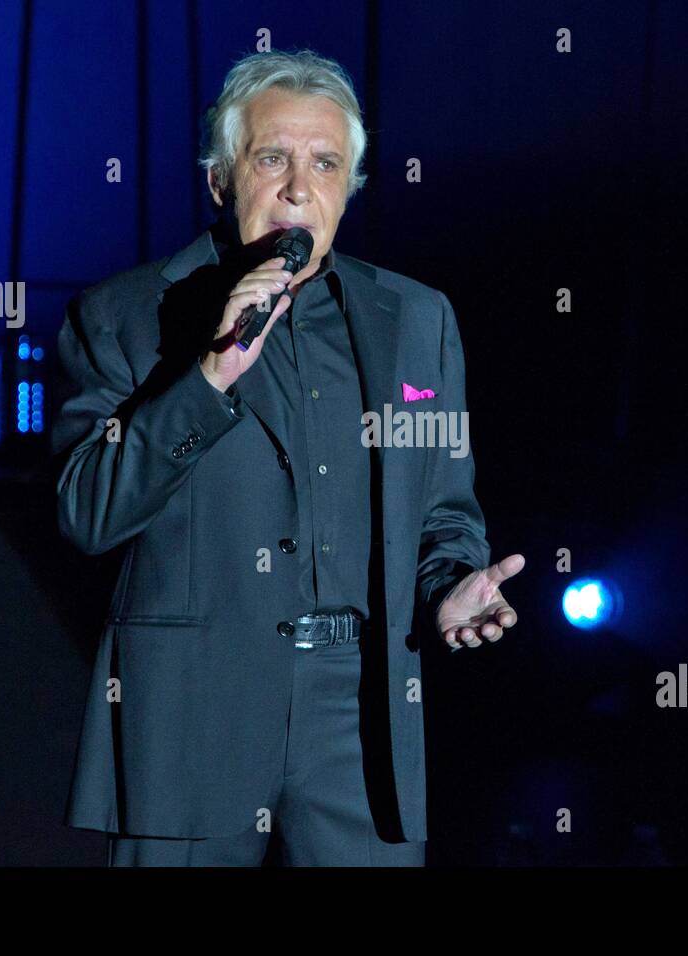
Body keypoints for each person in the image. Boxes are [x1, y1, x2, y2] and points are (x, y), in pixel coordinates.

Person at [51, 48, 525, 866]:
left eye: (325, 164)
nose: (299, 188)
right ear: (220, 180)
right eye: (272, 158)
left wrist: (451, 586)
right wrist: (209, 376)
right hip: (191, 712)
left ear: (349, 187)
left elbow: (444, 509)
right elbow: (87, 512)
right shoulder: (124, 315)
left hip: (359, 712)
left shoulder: (417, 321)